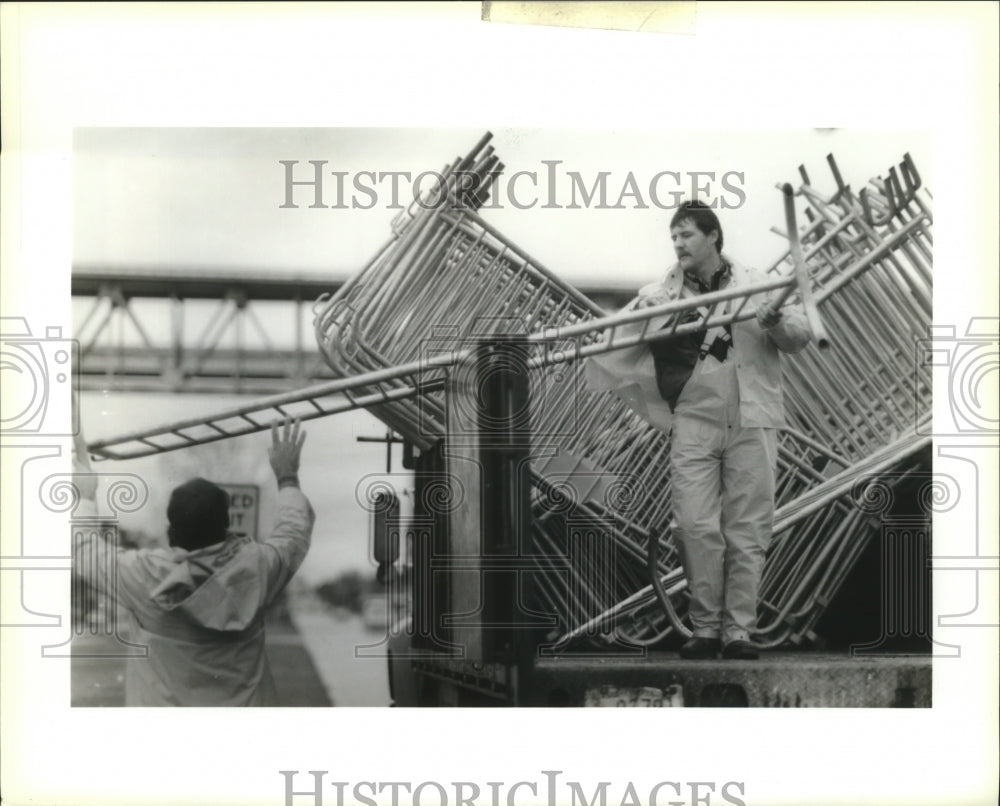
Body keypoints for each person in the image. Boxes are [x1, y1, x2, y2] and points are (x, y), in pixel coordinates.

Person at [585, 200, 811, 660]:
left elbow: (800, 338)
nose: (678, 243)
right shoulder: (660, 294)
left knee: (748, 529)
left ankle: (738, 633)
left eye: (687, 234)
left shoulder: (759, 286)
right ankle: (705, 628)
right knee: (692, 525)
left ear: (713, 237)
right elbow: (625, 341)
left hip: (752, 417)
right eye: (674, 237)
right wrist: (651, 316)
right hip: (694, 419)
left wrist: (778, 320)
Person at [72, 417, 315, 705]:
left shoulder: (142, 575)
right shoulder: (257, 568)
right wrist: (287, 476)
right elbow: (293, 533)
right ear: (228, 527)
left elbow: (82, 549)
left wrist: (86, 495)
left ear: (171, 532)